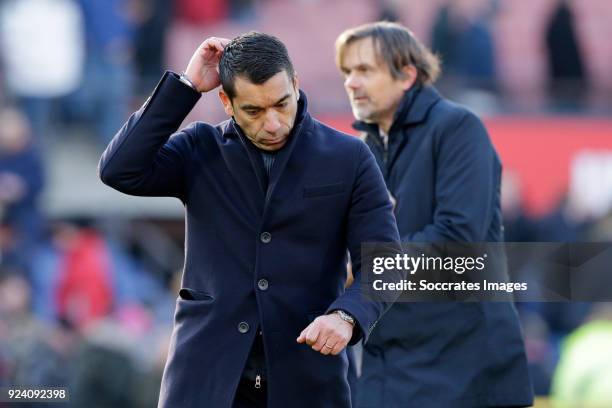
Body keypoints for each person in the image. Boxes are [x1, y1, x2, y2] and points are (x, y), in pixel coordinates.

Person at [99, 32, 401, 408]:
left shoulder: (350, 157)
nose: (273, 124)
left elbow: (386, 264)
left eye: (281, 104)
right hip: (205, 379)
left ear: (295, 84)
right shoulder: (199, 148)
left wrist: (346, 316)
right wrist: (187, 86)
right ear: (226, 101)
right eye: (254, 111)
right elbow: (119, 170)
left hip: (308, 378)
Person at [335, 22, 534, 407]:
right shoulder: (364, 150)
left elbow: (458, 241)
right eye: (347, 72)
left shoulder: (458, 127)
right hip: (391, 364)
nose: (351, 83)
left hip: (465, 367)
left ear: (407, 74)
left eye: (364, 70)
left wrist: (364, 266)